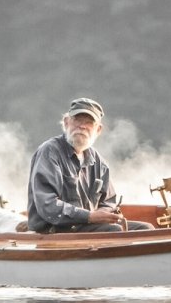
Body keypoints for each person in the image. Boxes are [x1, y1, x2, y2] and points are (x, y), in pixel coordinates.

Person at [25, 97, 153, 233]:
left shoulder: (99, 162)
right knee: (114, 231)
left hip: (85, 225)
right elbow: (47, 205)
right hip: (54, 230)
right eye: (78, 120)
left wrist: (103, 214)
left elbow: (108, 201)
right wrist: (90, 216)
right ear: (66, 122)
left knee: (146, 229)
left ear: (98, 130)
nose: (82, 126)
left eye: (89, 122)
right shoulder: (50, 152)